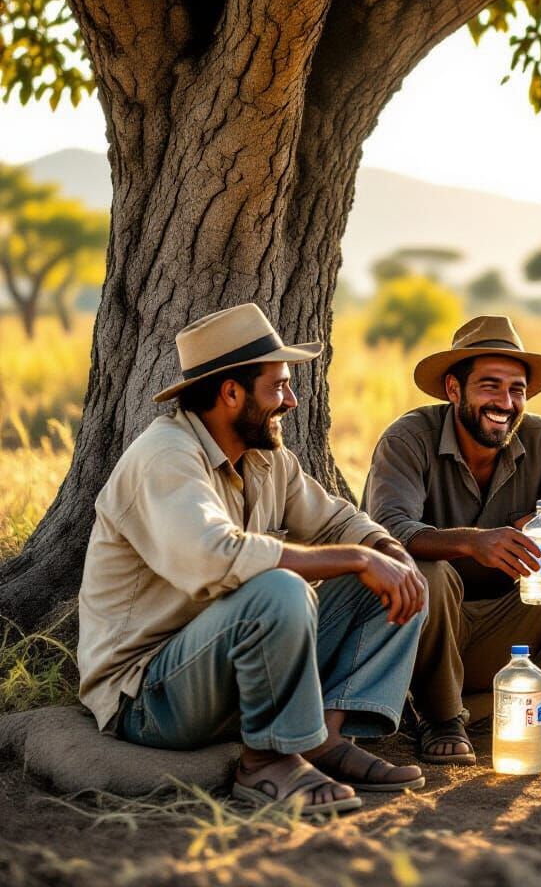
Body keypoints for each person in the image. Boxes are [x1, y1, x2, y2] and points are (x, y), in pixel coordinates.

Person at [78, 304, 428, 817]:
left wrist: (386, 550)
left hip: (230, 667)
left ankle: (321, 740)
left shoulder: (267, 457)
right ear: (231, 393)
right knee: (280, 588)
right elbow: (215, 557)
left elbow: (337, 521)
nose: (292, 400)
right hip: (149, 694)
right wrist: (356, 557)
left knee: (398, 576)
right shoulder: (165, 457)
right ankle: (266, 762)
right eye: (278, 387)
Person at [363, 315, 541, 765]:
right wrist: (473, 542)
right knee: (429, 571)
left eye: (517, 390)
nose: (506, 403)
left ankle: (539, 702)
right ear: (453, 389)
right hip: (423, 631)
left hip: (508, 629)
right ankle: (440, 715)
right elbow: (387, 531)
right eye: (490, 387)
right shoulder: (408, 438)